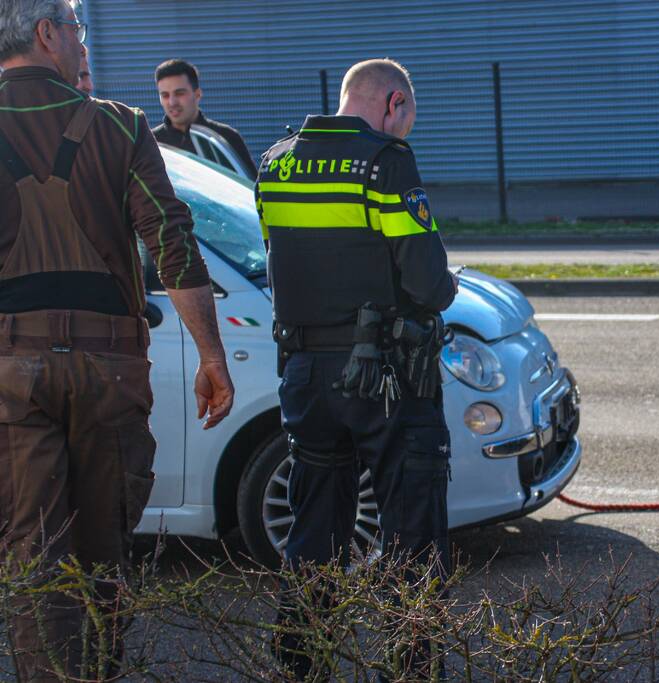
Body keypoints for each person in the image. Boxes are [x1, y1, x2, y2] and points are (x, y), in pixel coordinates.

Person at [0, 1, 235, 680]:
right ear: (47, 33)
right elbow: (172, 241)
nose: (80, 41)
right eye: (74, 28)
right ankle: (97, 670)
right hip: (110, 372)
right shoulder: (121, 125)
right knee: (104, 550)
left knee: (32, 551)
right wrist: (211, 357)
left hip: (13, 372)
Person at [256, 58, 457, 680]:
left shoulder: (275, 163)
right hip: (386, 380)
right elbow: (425, 280)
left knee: (313, 530)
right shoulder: (385, 161)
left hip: (306, 377)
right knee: (411, 535)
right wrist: (446, 286)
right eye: (408, 120)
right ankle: (409, 669)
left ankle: (300, 666)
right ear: (394, 103)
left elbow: (280, 259)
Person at [151, 58, 257, 178]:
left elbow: (250, 187)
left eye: (179, 93)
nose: (172, 102)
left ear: (197, 94)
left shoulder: (224, 138)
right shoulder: (151, 142)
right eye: (165, 95)